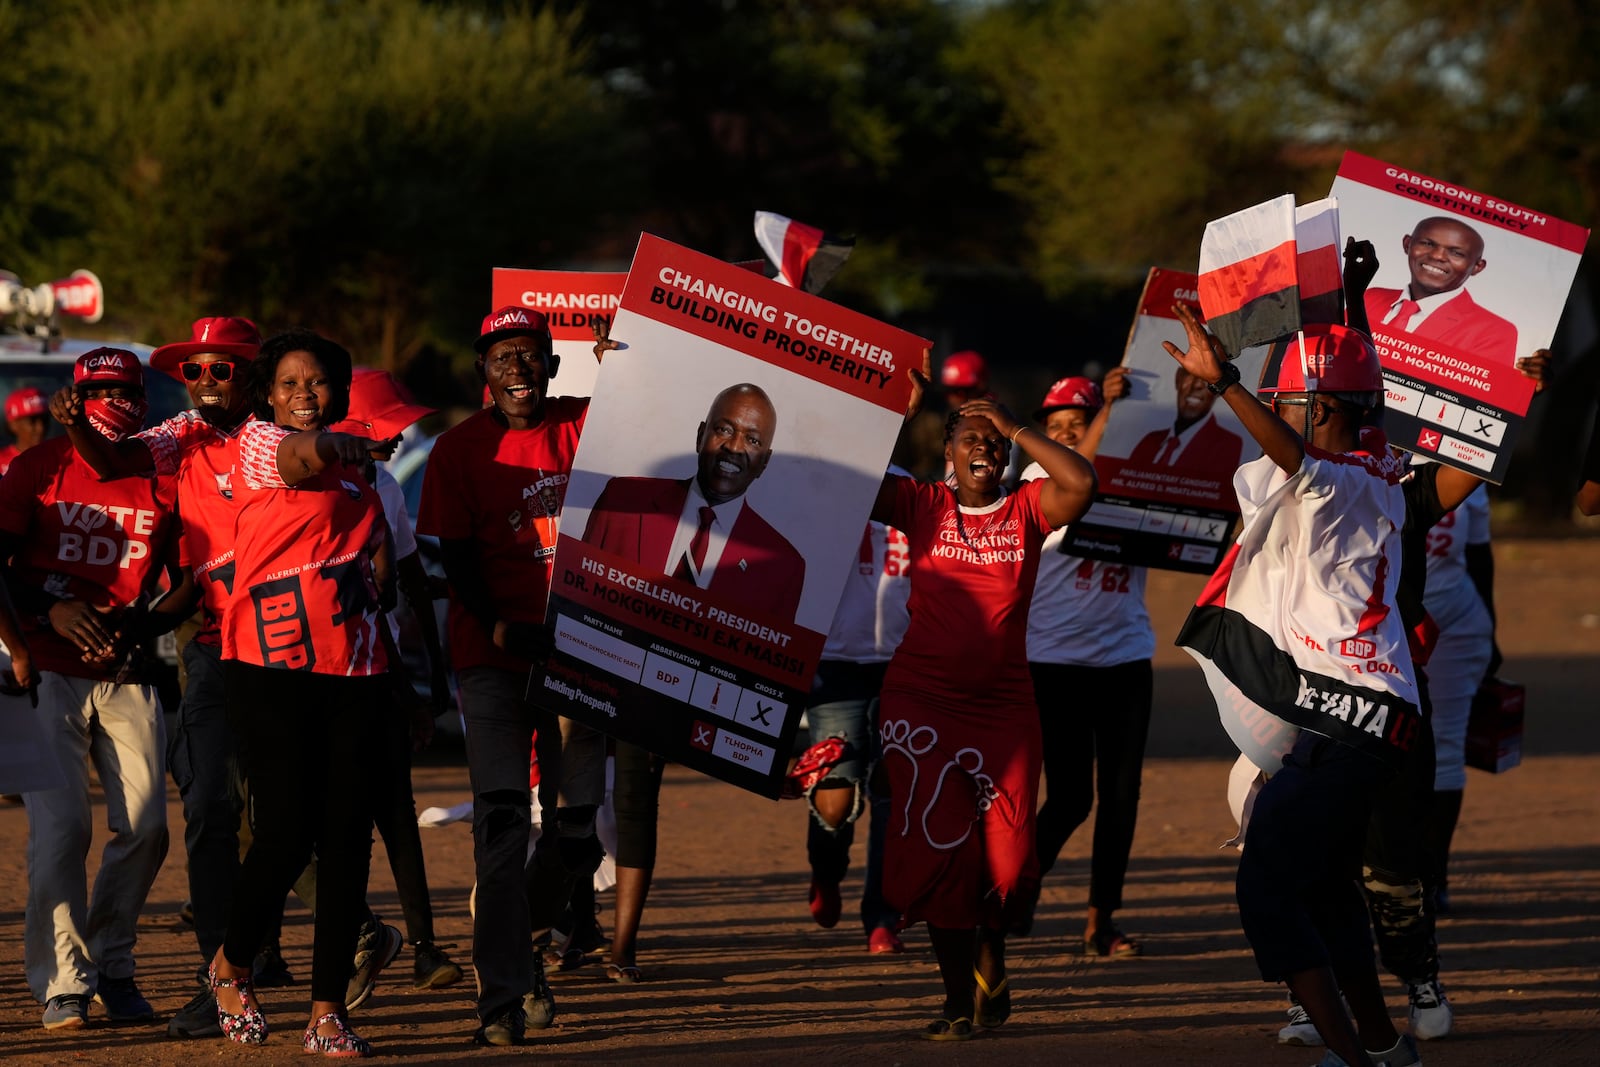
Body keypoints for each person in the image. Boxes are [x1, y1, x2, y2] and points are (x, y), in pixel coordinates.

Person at [1168, 304, 1422, 1067]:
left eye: (1286, 403)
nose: (1273, 418)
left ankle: (1349, 1056)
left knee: (1266, 882)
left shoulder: (1341, 480)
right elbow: (1308, 448)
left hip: (1353, 716)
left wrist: (1229, 383)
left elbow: (1299, 461)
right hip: (1360, 715)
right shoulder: (1376, 471)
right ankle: (1383, 1045)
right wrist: (1348, 297)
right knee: (1323, 886)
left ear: (1322, 409)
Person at [872, 372, 1098, 1040]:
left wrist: (1014, 424)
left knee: (1009, 863)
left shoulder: (1028, 507)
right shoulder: (919, 504)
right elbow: (850, 476)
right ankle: (953, 998)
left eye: (993, 444)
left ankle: (990, 953)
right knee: (943, 852)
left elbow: (1081, 484)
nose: (984, 452)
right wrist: (896, 413)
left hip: (1003, 706)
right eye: (970, 441)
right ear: (947, 454)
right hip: (922, 701)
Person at [416, 306, 607, 1046]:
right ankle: (498, 998)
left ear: (555, 367)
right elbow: (456, 557)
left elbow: (663, 429)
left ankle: (524, 950)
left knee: (578, 837)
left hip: (583, 658)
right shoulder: (458, 450)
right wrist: (496, 624)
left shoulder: (587, 422)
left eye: (531, 355)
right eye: (503, 358)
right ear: (483, 373)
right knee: (498, 826)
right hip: (493, 658)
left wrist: (630, 369)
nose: (518, 368)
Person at [6, 348, 190, 1032]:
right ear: (74, 397)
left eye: (128, 389)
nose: (117, 399)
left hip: (127, 669)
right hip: (45, 669)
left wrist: (141, 623)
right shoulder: (37, 467)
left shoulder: (162, 477)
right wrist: (40, 620)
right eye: (101, 389)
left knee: (146, 827)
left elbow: (189, 579)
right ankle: (64, 982)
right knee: (62, 830)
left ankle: (111, 960)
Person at [332, 368, 462, 991]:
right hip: (318, 671)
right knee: (331, 821)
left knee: (395, 813)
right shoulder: (313, 486)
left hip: (376, 666)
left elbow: (407, 579)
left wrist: (430, 678)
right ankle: (359, 937)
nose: (399, 439)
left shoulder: (383, 484)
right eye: (387, 428)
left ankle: (425, 948)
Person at [1022, 370, 1156, 958]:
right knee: (1072, 797)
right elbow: (1083, 475)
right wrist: (1108, 415)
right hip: (1055, 663)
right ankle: (1012, 891)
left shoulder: (1136, 475)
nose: (1069, 436)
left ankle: (1102, 920)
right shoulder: (1035, 479)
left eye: (1079, 424)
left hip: (1126, 657)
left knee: (1123, 796)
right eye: (1056, 428)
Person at [582, 382, 806, 623]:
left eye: (752, 440)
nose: (734, 447)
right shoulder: (622, 500)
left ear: (764, 462)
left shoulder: (783, 567)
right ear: (701, 436)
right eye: (725, 430)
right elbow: (574, 599)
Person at [799, 493, 911, 954]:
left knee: (893, 794)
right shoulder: (831, 483)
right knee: (834, 802)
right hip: (836, 663)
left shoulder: (921, 493)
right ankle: (826, 873)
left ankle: (882, 915)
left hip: (905, 664)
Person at [1363, 216, 1517, 363]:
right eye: (1427, 244)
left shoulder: (1495, 332)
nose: (1437, 256)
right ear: (1407, 244)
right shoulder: (1370, 297)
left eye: (1456, 253)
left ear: (1478, 267)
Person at [1125, 364, 1245, 482]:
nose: (1197, 385)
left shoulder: (1227, 445)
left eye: (1208, 377)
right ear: (1179, 378)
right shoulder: (1150, 440)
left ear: (1220, 389)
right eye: (1190, 373)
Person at [0, 386, 49, 474]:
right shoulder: (1, 462)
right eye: (32, 421)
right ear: (13, 424)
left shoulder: (61, 458)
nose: (41, 428)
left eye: (45, 420)